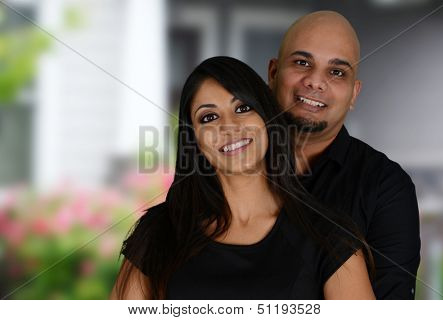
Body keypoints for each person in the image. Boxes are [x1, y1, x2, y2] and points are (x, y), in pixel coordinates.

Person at [110, 56, 375, 299]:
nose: (230, 127)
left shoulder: (329, 237)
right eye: (209, 117)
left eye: (242, 108)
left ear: (267, 119)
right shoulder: (158, 232)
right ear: (194, 140)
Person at [267, 10, 420, 299]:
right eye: (302, 62)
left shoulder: (387, 188)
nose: (315, 82)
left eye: (336, 72)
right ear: (273, 74)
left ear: (353, 95)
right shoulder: (226, 164)